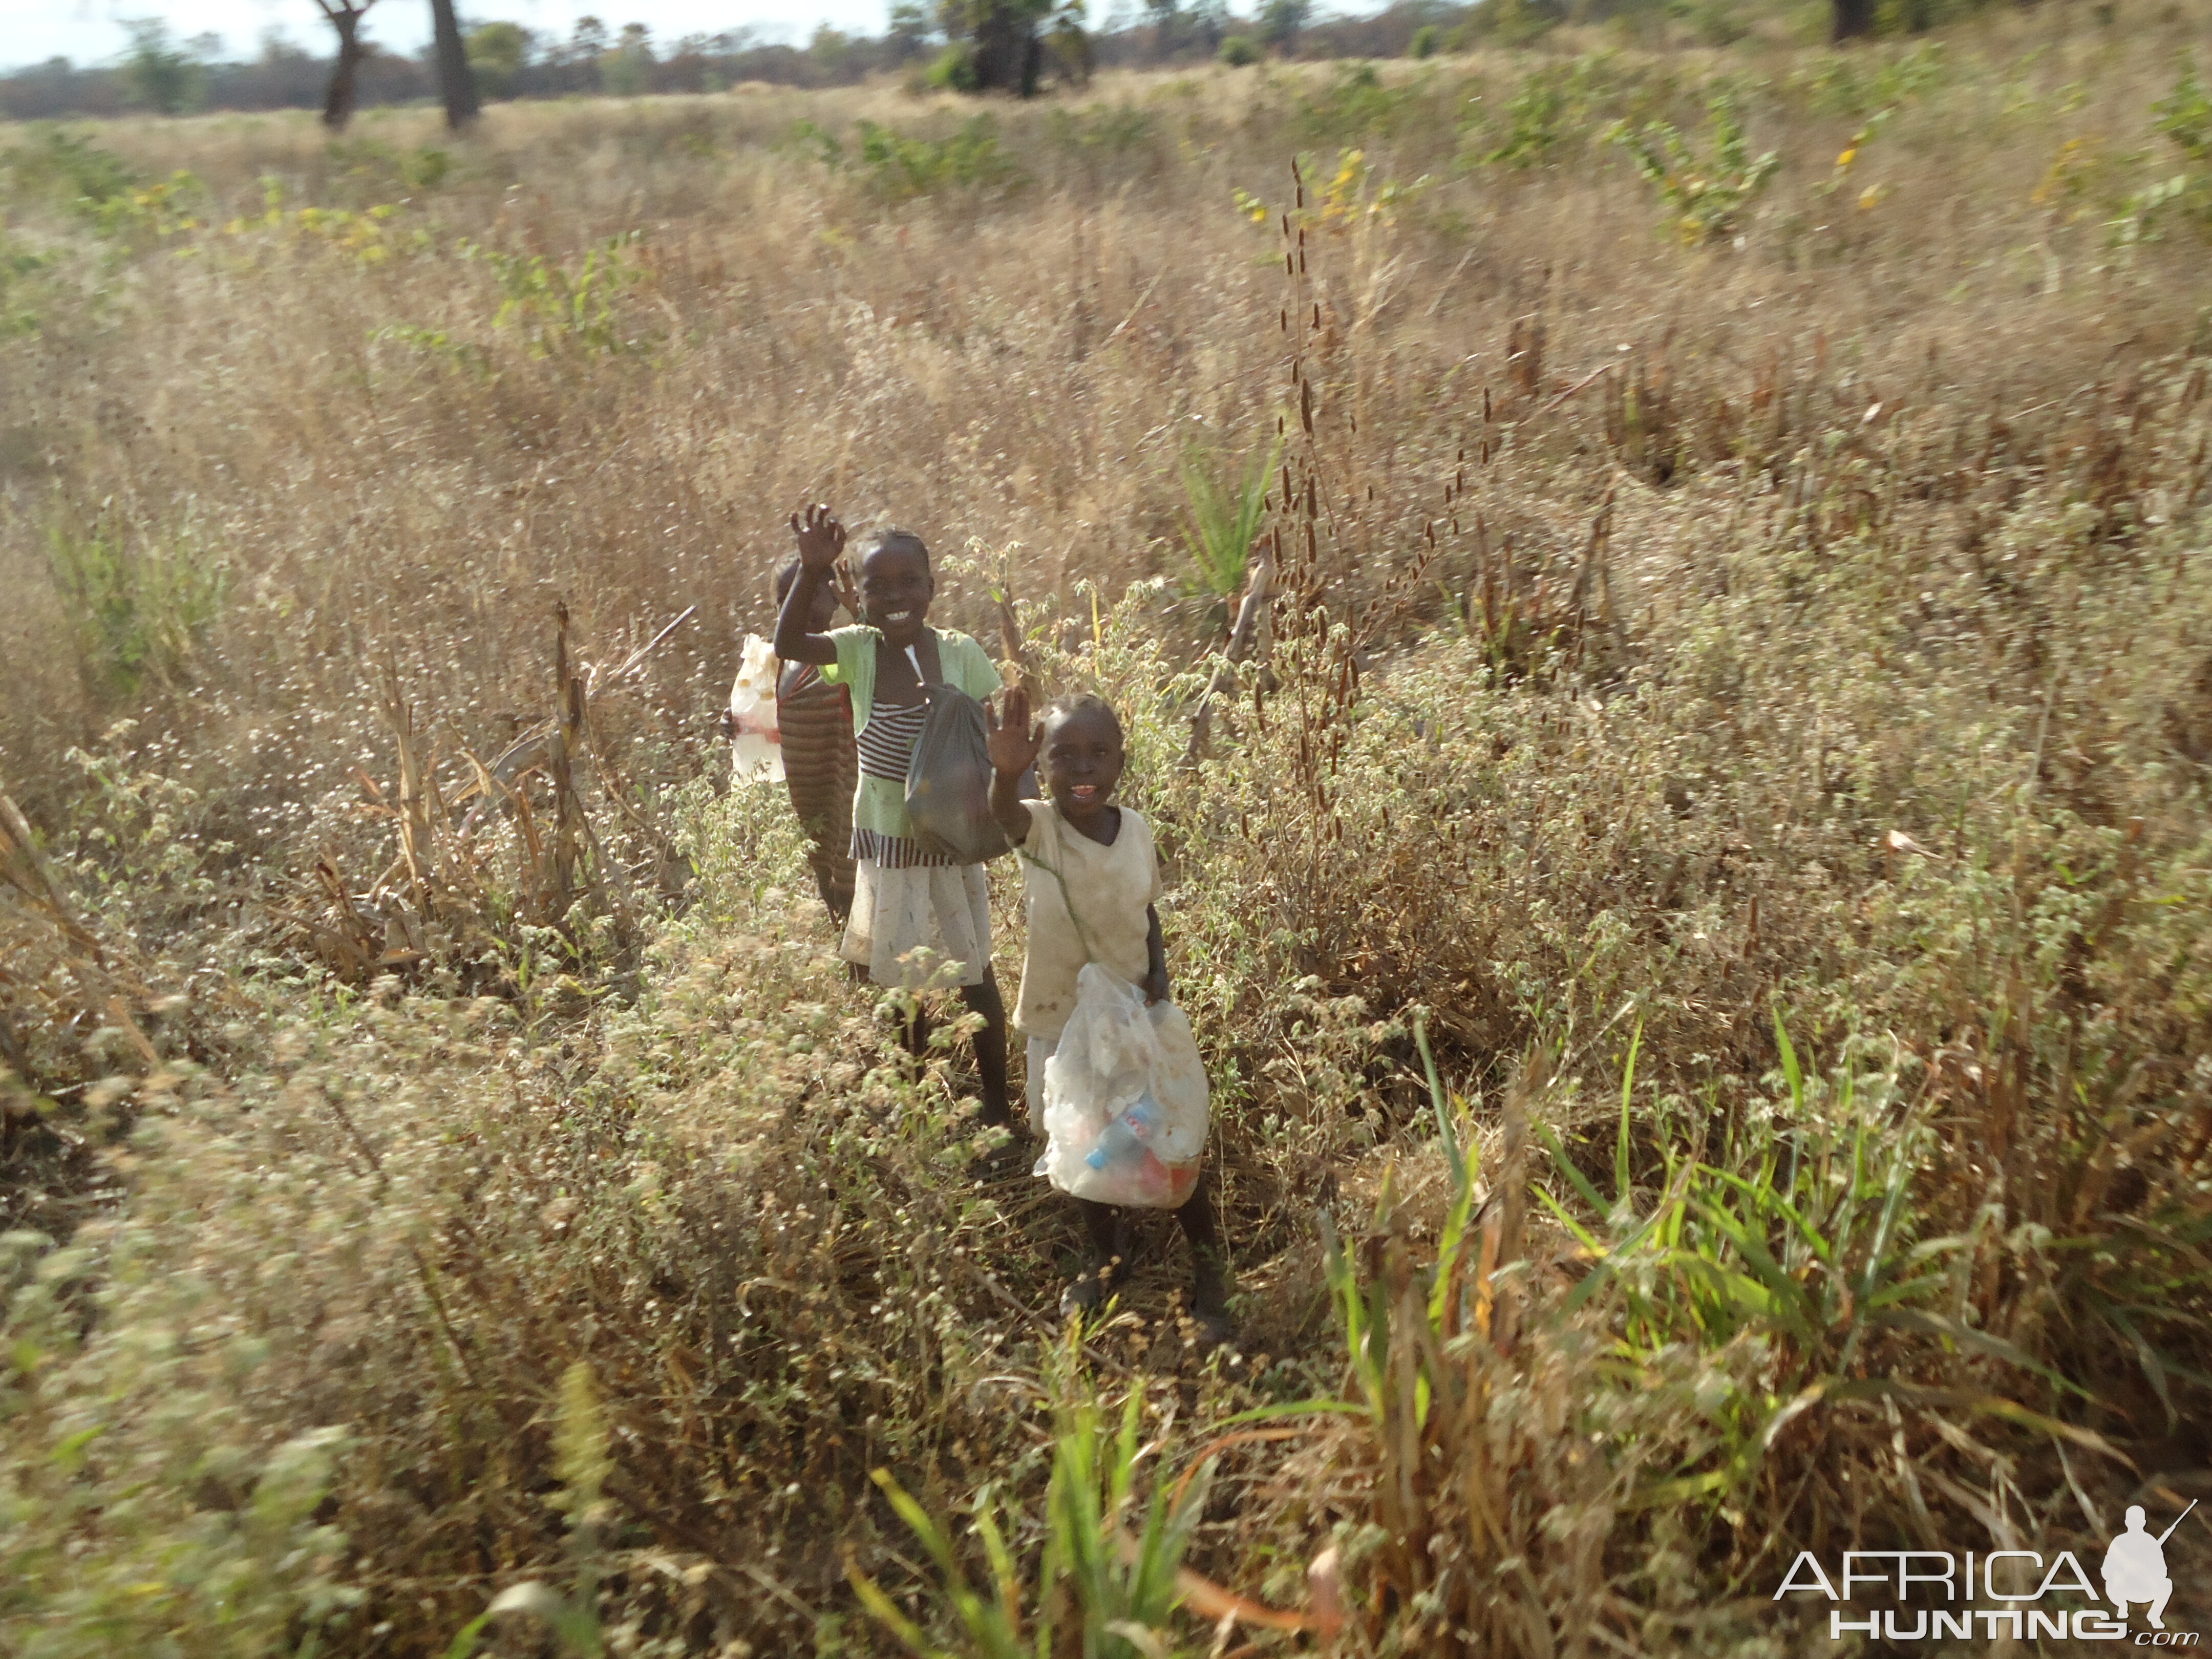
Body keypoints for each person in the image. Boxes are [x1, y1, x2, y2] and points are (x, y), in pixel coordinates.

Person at [983, 685, 1233, 1346]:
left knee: (1165, 1139)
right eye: (1064, 755)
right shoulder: (1038, 829)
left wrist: (1159, 969)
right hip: (1059, 1022)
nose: (1083, 769)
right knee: (1082, 1148)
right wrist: (1004, 776)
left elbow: (1146, 911)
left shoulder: (1139, 832)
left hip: (1129, 1024)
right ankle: (1105, 1256)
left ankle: (1209, 1267)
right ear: (1044, 768)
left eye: (1098, 754)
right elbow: (1001, 813)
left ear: (1121, 762)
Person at [774, 504, 1014, 1131]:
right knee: (904, 987)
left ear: (933, 590)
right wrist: (810, 571)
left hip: (952, 842)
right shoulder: (857, 651)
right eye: (877, 586)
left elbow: (994, 739)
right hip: (889, 845)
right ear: (858, 595)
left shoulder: (961, 653)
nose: (896, 597)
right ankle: (916, 1112)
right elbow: (788, 644)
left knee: (976, 976)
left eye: (911, 583)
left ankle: (996, 1109)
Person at [770, 556, 859, 929]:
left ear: (835, 599)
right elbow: (767, 710)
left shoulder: (843, 653)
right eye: (791, 596)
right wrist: (737, 724)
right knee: (819, 856)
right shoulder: (778, 664)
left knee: (849, 865)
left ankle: (863, 957)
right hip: (807, 789)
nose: (803, 604)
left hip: (843, 781)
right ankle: (844, 939)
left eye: (813, 592)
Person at [2102, 1505, 2175, 1629]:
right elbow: (2106, 1570)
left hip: (2145, 1589)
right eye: (2132, 1521)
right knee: (2112, 1581)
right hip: (2123, 1589)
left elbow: (2163, 1571)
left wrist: (2145, 1570)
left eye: (2138, 1521)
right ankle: (2122, 1607)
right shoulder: (2119, 1542)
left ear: (2144, 1522)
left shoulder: (2151, 1543)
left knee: (2167, 1584)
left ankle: (2154, 1615)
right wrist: (2123, 1570)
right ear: (2126, 1522)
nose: (2135, 1524)